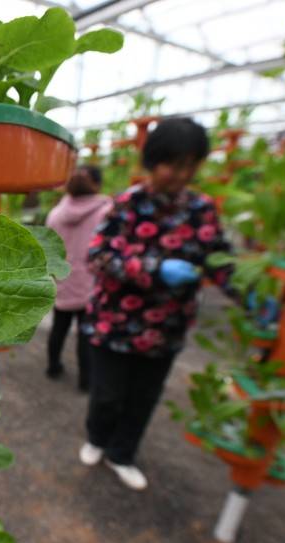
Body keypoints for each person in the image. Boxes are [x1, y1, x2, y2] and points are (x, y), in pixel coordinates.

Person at [78, 117, 234, 491]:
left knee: (144, 398)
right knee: (108, 395)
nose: (181, 174)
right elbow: (98, 256)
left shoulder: (203, 209)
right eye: (173, 164)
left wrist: (252, 293)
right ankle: (97, 438)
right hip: (114, 322)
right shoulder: (127, 205)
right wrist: (154, 268)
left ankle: (122, 453)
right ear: (153, 161)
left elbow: (221, 261)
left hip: (166, 327)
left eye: (190, 165)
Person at [44, 165, 112, 391]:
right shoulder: (106, 212)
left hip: (63, 281)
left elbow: (48, 249)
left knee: (59, 329)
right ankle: (86, 381)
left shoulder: (55, 214)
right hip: (90, 285)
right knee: (86, 335)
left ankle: (53, 367)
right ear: (98, 184)